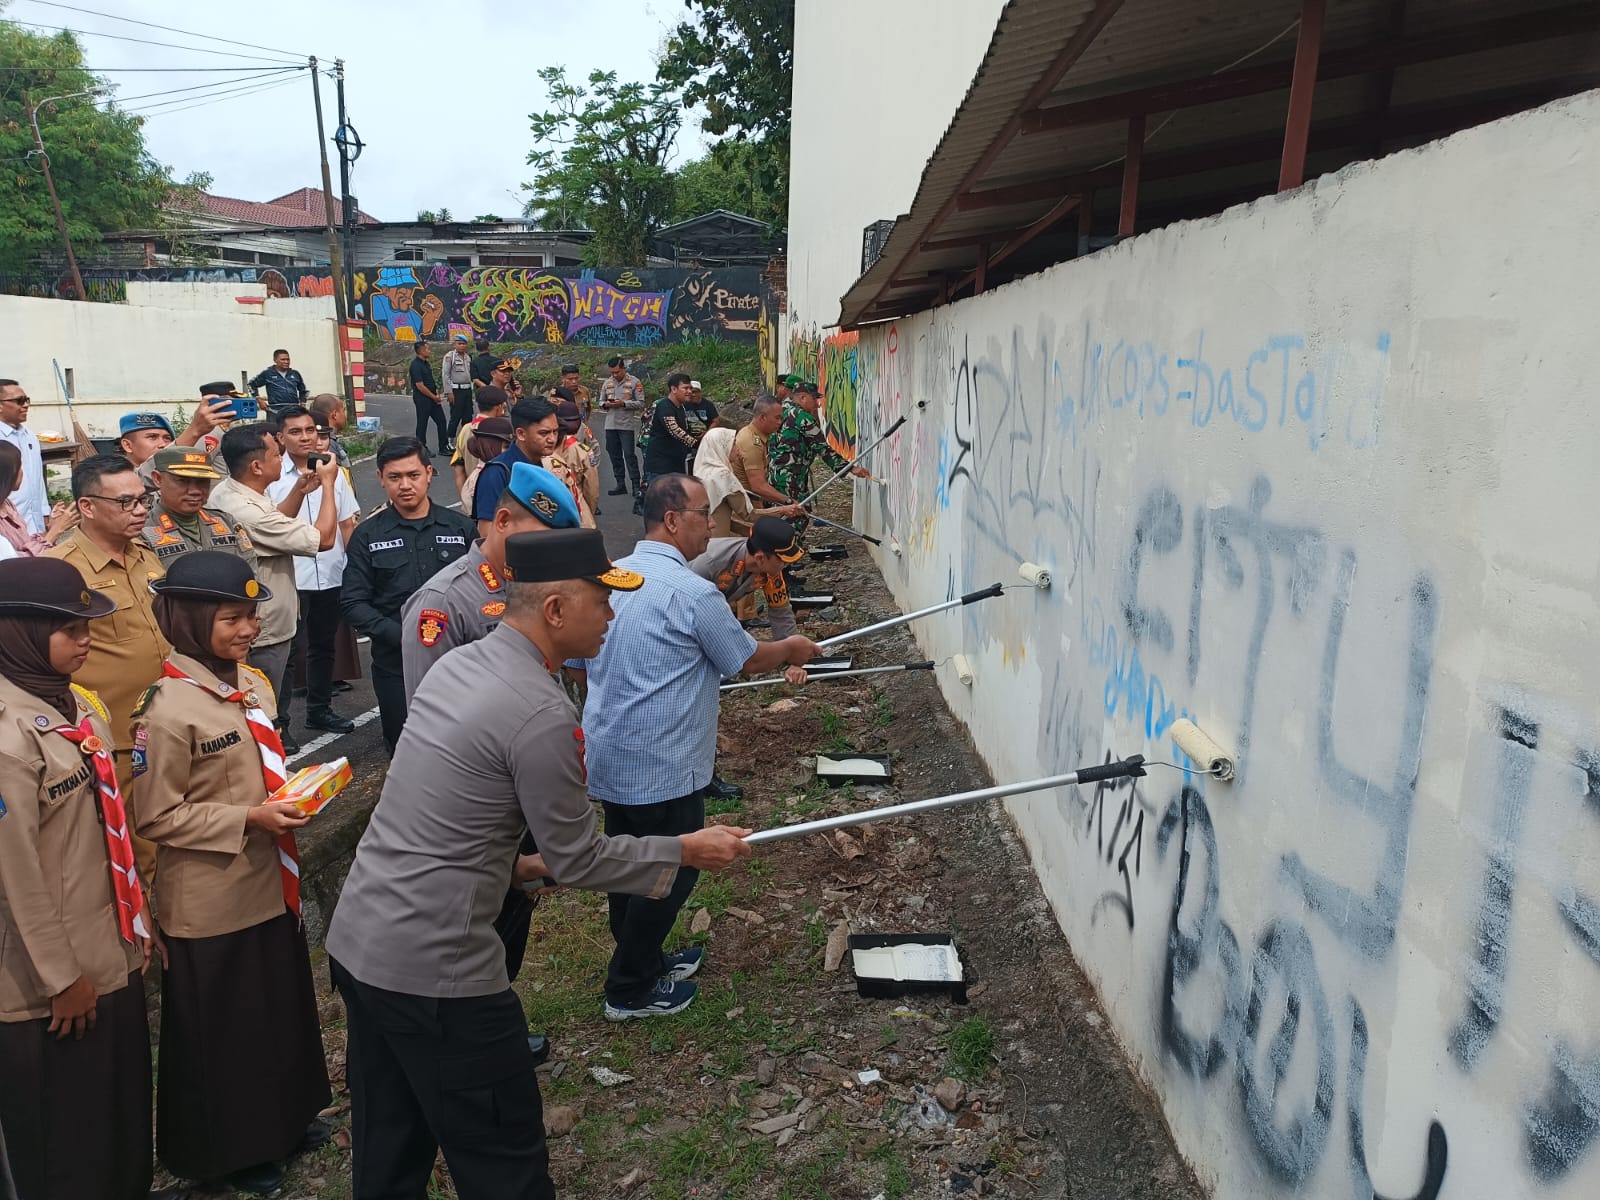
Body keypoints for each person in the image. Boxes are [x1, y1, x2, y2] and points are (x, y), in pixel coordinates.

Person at [327, 528, 755, 1200]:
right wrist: (684, 847)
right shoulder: (539, 711)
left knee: (390, 1142)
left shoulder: (461, 667)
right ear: (555, 609)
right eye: (602, 603)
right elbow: (580, 857)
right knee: (503, 1157)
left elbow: (440, 819)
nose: (612, 617)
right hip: (438, 973)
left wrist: (515, 867)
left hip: (361, 943)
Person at [572, 475, 820, 1019]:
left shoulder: (606, 577)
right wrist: (792, 647)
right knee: (672, 870)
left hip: (611, 750)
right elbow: (746, 659)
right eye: (703, 513)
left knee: (627, 862)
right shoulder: (692, 591)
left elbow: (575, 661)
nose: (712, 523)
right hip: (664, 762)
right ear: (672, 520)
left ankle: (644, 957)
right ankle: (630, 987)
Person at [131, 552, 331, 1197]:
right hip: (212, 897)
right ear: (189, 621)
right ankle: (236, 1152)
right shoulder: (164, 709)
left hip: (269, 880)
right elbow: (157, 814)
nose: (247, 630)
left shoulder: (246, 683)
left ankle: (288, 1117)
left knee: (278, 1007)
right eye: (231, 619)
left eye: (251, 617)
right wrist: (249, 816)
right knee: (228, 1029)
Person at [0, 557, 157, 1200]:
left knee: (117, 1105)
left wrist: (137, 922)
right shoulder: (9, 737)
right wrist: (61, 980)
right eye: (70, 628)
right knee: (64, 1133)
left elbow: (107, 829)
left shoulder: (73, 705)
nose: (86, 638)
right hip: (48, 979)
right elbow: (17, 878)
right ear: (19, 633)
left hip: (109, 946)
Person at [44, 454, 171, 879]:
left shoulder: (147, 555)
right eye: (125, 503)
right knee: (139, 853)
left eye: (143, 500)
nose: (139, 511)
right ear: (86, 506)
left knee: (176, 835)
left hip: (166, 724)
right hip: (114, 738)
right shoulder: (62, 570)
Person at [210, 423, 340, 755]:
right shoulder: (245, 510)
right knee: (264, 707)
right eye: (276, 453)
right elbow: (323, 539)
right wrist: (328, 484)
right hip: (263, 627)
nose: (281, 458)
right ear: (256, 466)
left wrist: (299, 490)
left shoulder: (233, 492)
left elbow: (275, 521)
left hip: (263, 619)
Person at [403, 461, 581, 699]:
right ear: (503, 520)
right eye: (542, 538)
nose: (550, 551)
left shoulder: (534, 585)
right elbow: (429, 712)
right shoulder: (443, 602)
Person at [341, 438, 476, 751]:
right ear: (380, 479)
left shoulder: (460, 529)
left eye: (413, 475)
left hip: (458, 661)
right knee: (406, 750)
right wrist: (405, 637)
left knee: (465, 747)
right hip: (396, 666)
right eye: (394, 477)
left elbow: (483, 592)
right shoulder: (368, 535)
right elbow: (353, 602)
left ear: (429, 473)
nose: (405, 485)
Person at [267, 407, 360, 736]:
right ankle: (280, 725)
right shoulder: (272, 477)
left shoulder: (332, 472)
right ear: (281, 437)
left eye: (310, 430)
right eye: (295, 432)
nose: (305, 437)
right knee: (286, 652)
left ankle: (320, 710)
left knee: (324, 646)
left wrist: (355, 570)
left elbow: (348, 522)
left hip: (332, 572)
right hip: (291, 576)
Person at [769, 380, 871, 538]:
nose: (817, 405)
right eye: (814, 399)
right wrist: (850, 469)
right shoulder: (802, 418)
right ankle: (785, 555)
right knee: (798, 515)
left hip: (776, 473)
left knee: (784, 515)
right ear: (803, 397)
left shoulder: (783, 411)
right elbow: (823, 449)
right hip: (791, 477)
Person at [691, 513, 804, 642]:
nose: (786, 565)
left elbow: (781, 612)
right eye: (783, 561)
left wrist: (791, 651)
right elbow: (685, 611)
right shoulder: (708, 564)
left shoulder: (770, 571)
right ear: (760, 558)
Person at [140, 446, 256, 567]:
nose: (195, 490)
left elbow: (249, 569)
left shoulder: (226, 522)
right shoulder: (143, 531)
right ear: (158, 479)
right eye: (183, 481)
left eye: (202, 481)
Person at [471, 396, 560, 536]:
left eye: (555, 431)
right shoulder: (497, 473)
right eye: (544, 433)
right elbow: (486, 532)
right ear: (521, 434)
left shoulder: (543, 466)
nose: (552, 439)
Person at [730, 394, 802, 517]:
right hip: (746, 507)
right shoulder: (751, 443)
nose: (780, 422)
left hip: (752, 502)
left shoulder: (759, 436)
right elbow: (757, 485)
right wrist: (787, 501)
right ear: (763, 417)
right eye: (777, 418)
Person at [0, 441, 71, 557]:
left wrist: (50, 527)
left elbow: (25, 542)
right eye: (19, 467)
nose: (22, 472)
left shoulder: (6, 504)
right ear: (7, 474)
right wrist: (55, 531)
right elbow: (17, 563)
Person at [0, 379, 48, 536]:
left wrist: (44, 512)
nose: (25, 405)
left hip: (35, 524)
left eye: (26, 400)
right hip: (8, 527)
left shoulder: (29, 436)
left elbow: (37, 478)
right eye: (19, 401)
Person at [598, 354, 645, 505]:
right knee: (614, 455)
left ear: (624, 368)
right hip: (610, 424)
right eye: (612, 372)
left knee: (630, 455)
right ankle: (620, 484)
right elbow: (600, 401)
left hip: (626, 425)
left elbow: (641, 403)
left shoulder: (634, 382)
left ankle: (636, 485)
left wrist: (623, 404)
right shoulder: (607, 383)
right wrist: (606, 405)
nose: (614, 375)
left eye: (617, 372)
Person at [451, 384, 511, 496]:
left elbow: (459, 469)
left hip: (471, 490)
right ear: (499, 407)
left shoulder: (466, 429)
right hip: (496, 492)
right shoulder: (501, 430)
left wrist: (465, 500)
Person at [694, 426, 753, 537]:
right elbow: (748, 514)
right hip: (718, 542)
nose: (737, 449)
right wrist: (783, 510)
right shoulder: (722, 475)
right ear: (721, 446)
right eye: (733, 444)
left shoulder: (702, 470)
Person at [642, 373, 700, 486]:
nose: (689, 391)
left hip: (676, 465)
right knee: (661, 502)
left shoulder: (681, 407)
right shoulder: (665, 407)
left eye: (690, 388)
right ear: (673, 389)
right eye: (685, 388)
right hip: (660, 468)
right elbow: (676, 431)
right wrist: (700, 445)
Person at [552, 391, 599, 524]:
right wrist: (589, 511)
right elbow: (592, 489)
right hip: (575, 502)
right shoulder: (583, 452)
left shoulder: (545, 445)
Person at [459, 415, 511, 513]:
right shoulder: (487, 478)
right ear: (489, 446)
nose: (511, 451)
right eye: (506, 447)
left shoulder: (496, 471)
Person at [408, 341, 447, 455]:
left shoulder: (426, 364)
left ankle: (443, 447)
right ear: (421, 350)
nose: (429, 351)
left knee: (441, 421)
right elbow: (419, 385)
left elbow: (430, 381)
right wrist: (433, 396)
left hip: (432, 398)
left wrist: (436, 394)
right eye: (427, 349)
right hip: (422, 399)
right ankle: (421, 448)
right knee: (422, 423)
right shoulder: (415, 365)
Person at [248, 349, 310, 416]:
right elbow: (251, 384)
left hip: (293, 411)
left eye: (288, 359)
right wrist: (259, 400)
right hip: (274, 411)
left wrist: (303, 403)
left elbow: (303, 391)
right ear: (275, 360)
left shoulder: (295, 374)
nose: (286, 362)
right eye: (283, 359)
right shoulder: (267, 374)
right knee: (273, 427)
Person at [441, 333, 475, 449]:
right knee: (455, 416)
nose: (462, 346)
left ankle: (465, 440)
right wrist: (449, 392)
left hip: (467, 390)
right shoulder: (450, 357)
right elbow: (445, 375)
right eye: (459, 343)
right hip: (456, 390)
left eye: (464, 344)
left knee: (468, 416)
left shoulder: (468, 357)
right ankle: (450, 441)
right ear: (455, 344)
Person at [308, 393, 352, 468]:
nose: (344, 415)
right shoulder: (327, 445)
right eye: (343, 411)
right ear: (334, 414)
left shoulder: (330, 440)